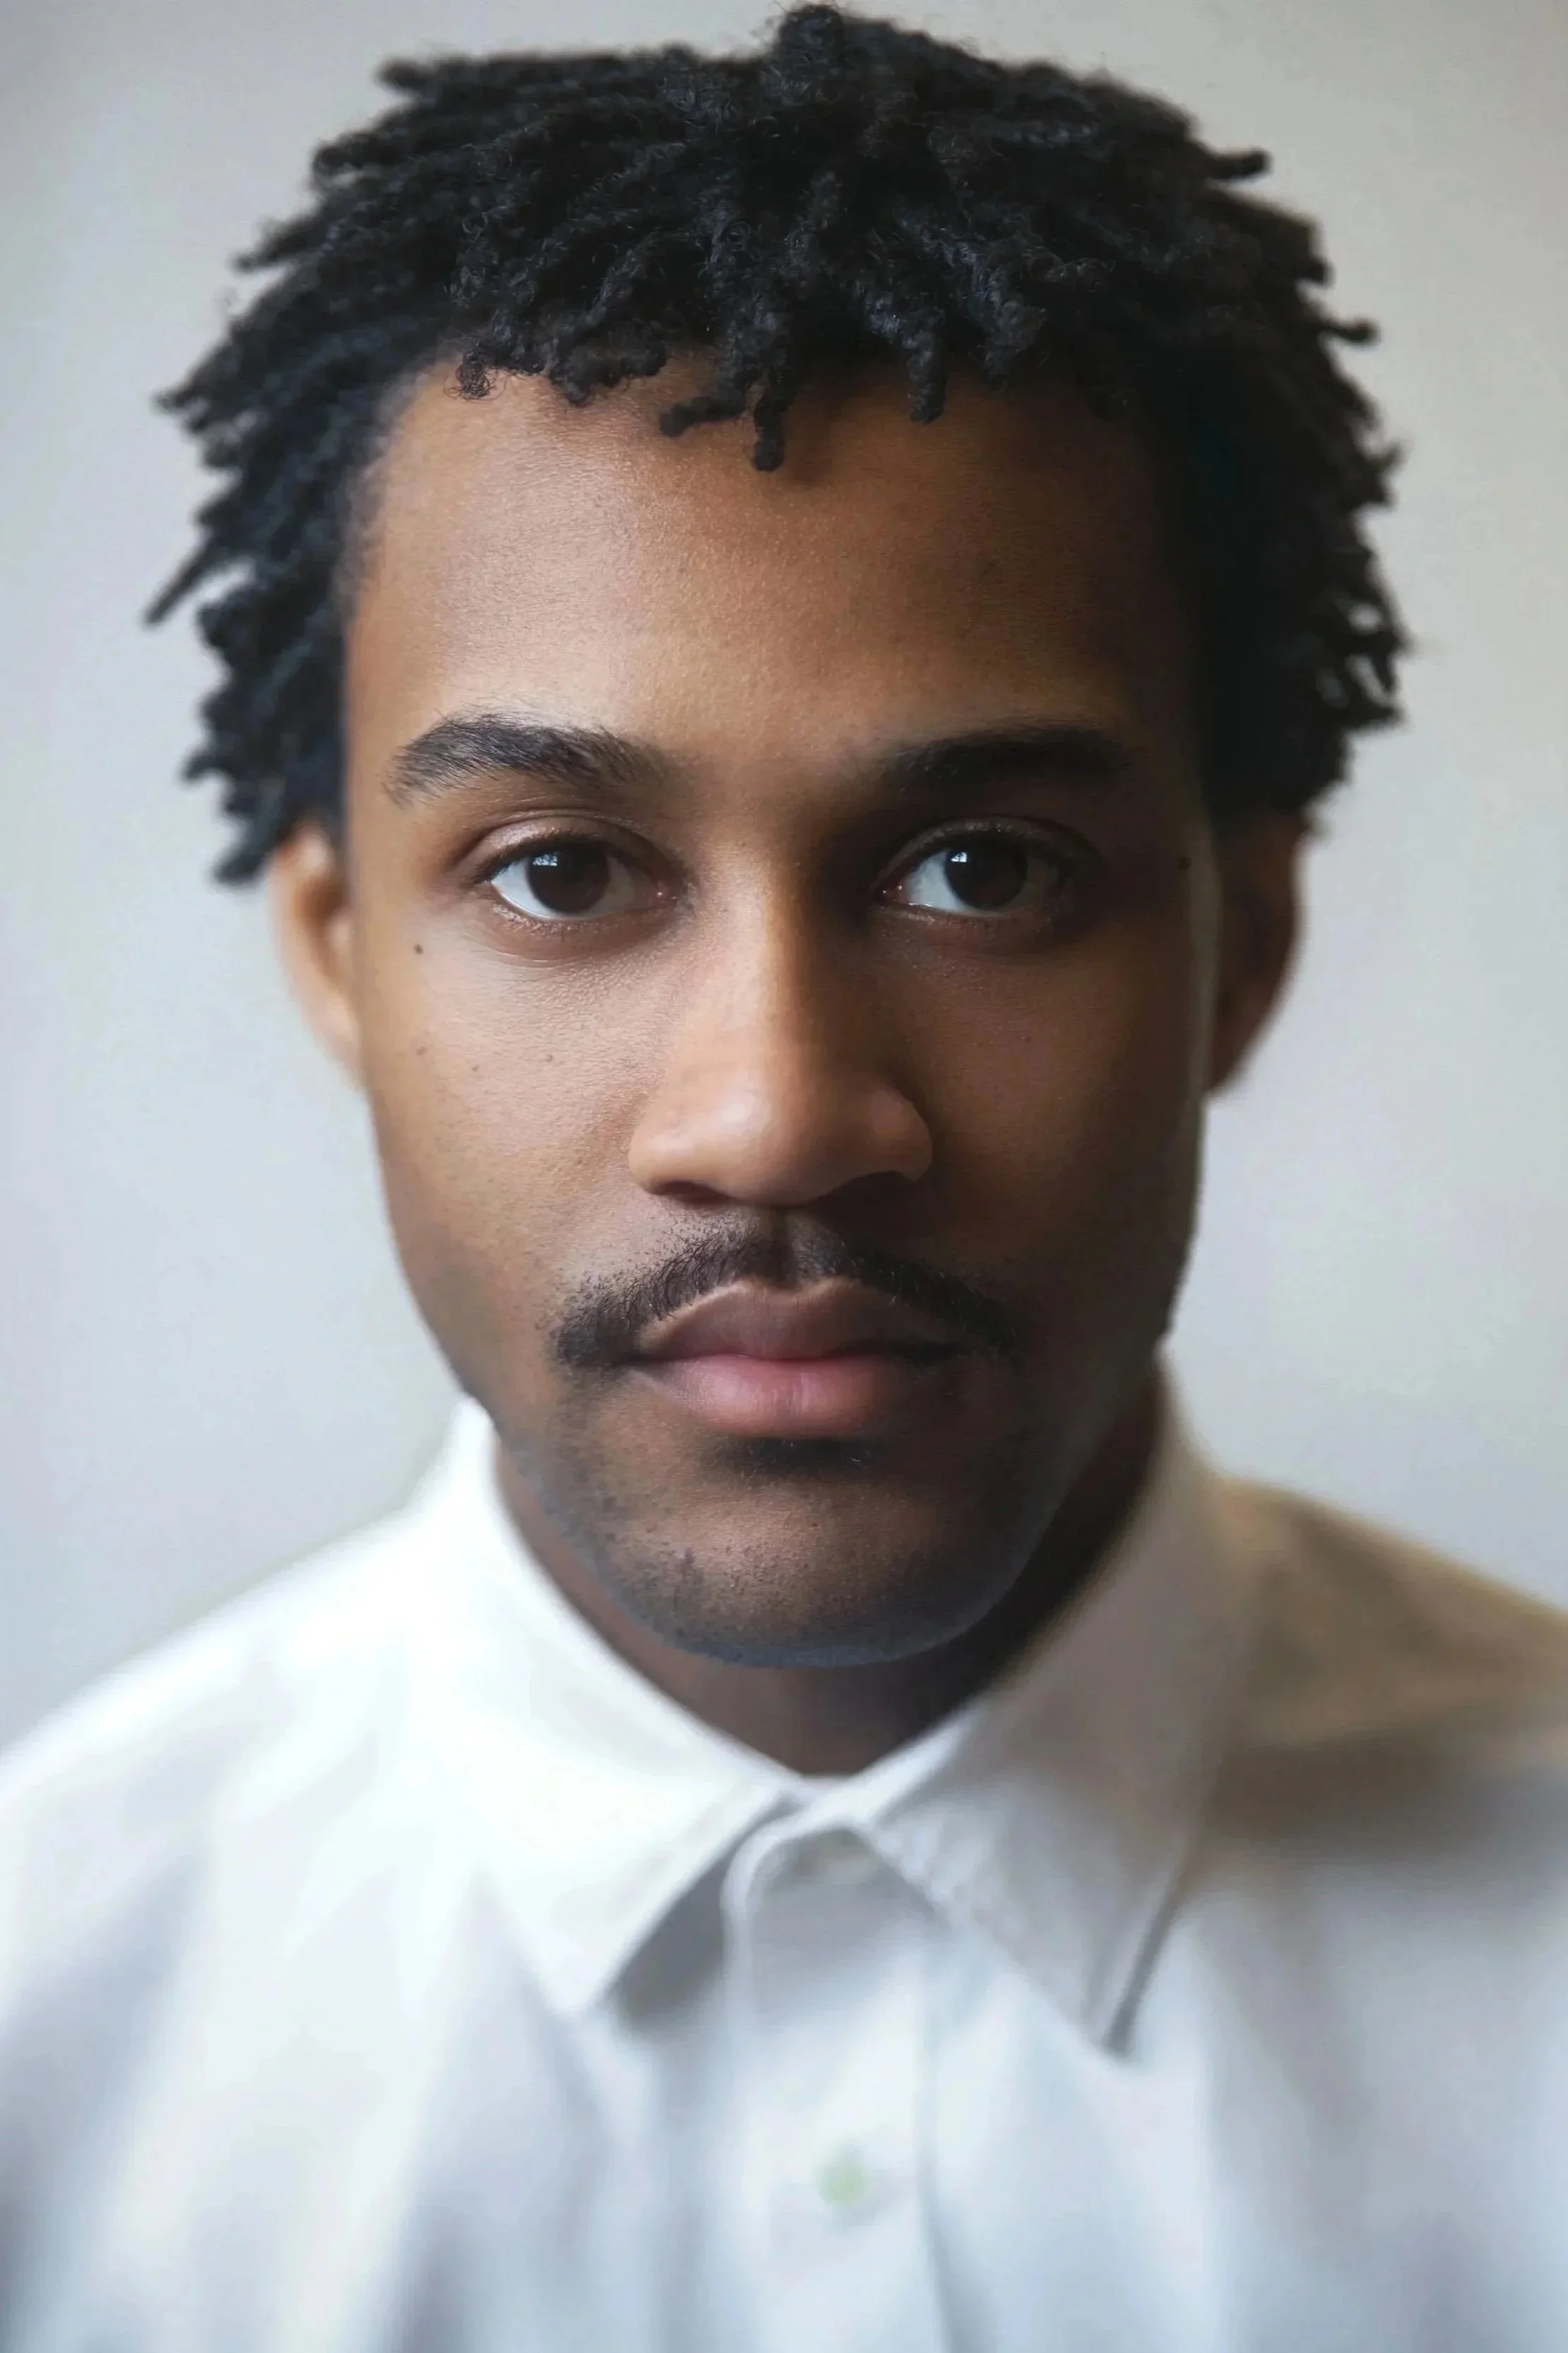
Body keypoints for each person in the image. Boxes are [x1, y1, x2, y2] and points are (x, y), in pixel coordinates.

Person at [2, 7, 1564, 2346]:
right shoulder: (46, 2030)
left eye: (983, 869)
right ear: (337, 956)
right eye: (556, 874)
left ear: (1245, 953)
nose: (779, 1116)